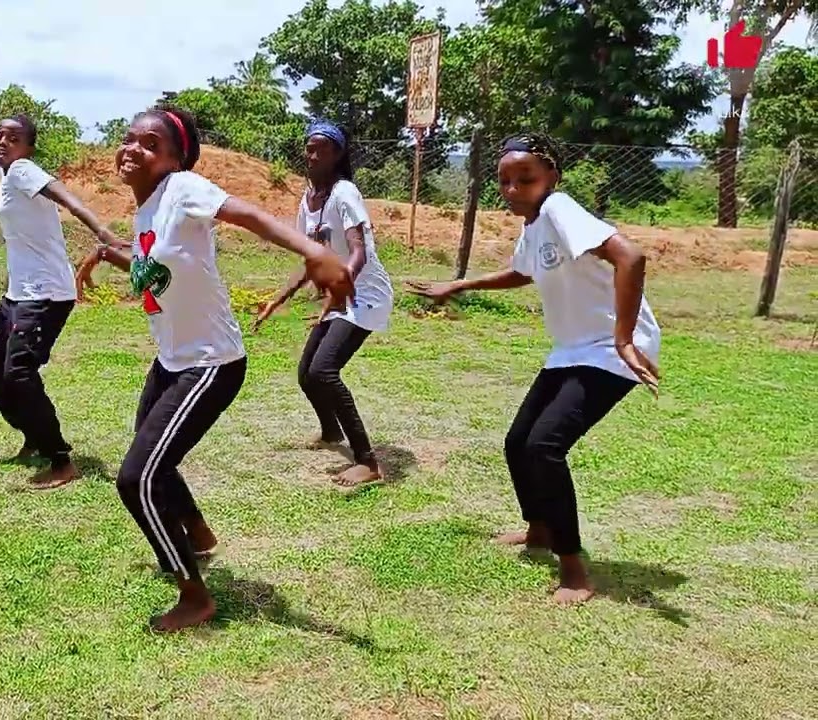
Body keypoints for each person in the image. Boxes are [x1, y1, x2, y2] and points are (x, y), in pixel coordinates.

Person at [75, 107, 355, 632]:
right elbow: (155, 274)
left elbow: (247, 214)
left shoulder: (182, 187)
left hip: (208, 364)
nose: (133, 148)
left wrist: (314, 251)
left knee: (137, 478)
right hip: (172, 362)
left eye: (151, 144)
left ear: (176, 159)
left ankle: (193, 594)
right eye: (129, 138)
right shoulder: (149, 212)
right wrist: (107, 258)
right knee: (152, 455)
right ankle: (198, 536)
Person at [406, 133, 661, 604]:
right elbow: (523, 272)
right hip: (572, 349)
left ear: (551, 178)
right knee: (518, 442)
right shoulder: (535, 226)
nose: (513, 189)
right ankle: (539, 529)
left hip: (609, 349)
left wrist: (624, 339)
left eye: (526, 178)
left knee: (545, 446)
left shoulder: (561, 208)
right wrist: (460, 284)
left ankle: (574, 570)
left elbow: (631, 256)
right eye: (504, 180)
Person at [0, 115, 122, 489]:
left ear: (28, 147)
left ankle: (60, 460)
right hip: (19, 292)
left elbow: (64, 195)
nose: (3, 142)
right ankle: (33, 434)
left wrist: (101, 230)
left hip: (46, 294)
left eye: (13, 138)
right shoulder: (4, 170)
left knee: (18, 373)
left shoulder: (23, 170)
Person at [251, 120, 393, 487]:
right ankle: (332, 432)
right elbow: (310, 258)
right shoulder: (307, 200)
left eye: (321, 149)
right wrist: (276, 302)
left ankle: (368, 461)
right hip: (339, 294)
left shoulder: (345, 193)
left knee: (324, 371)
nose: (312, 155)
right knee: (306, 374)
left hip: (364, 294)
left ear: (338, 154)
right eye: (309, 147)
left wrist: (339, 292)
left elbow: (359, 251)